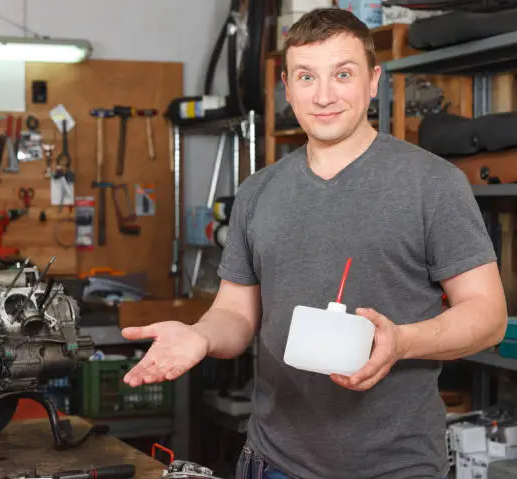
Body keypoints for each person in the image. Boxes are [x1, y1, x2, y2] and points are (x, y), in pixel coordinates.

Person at [122, 7, 508, 479]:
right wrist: (200, 336)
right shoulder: (258, 191)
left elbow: (487, 316)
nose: (323, 95)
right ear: (288, 87)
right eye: (307, 77)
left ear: (373, 81)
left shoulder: (432, 184)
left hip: (394, 467)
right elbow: (236, 315)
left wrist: (402, 341)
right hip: (272, 463)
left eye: (342, 74)